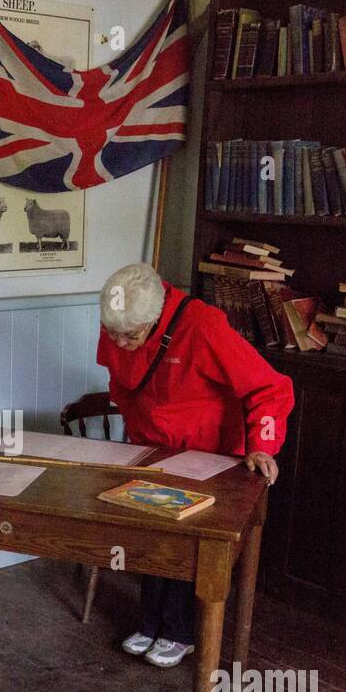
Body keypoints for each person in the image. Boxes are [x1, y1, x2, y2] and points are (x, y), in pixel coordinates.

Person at [96, 262, 294, 667]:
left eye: (130, 336)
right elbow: (121, 382)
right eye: (112, 333)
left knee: (187, 545)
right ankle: (150, 623)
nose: (119, 342)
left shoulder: (203, 326)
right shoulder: (118, 320)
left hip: (210, 455)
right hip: (154, 451)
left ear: (155, 320)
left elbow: (270, 387)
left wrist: (262, 445)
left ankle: (180, 631)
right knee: (151, 536)